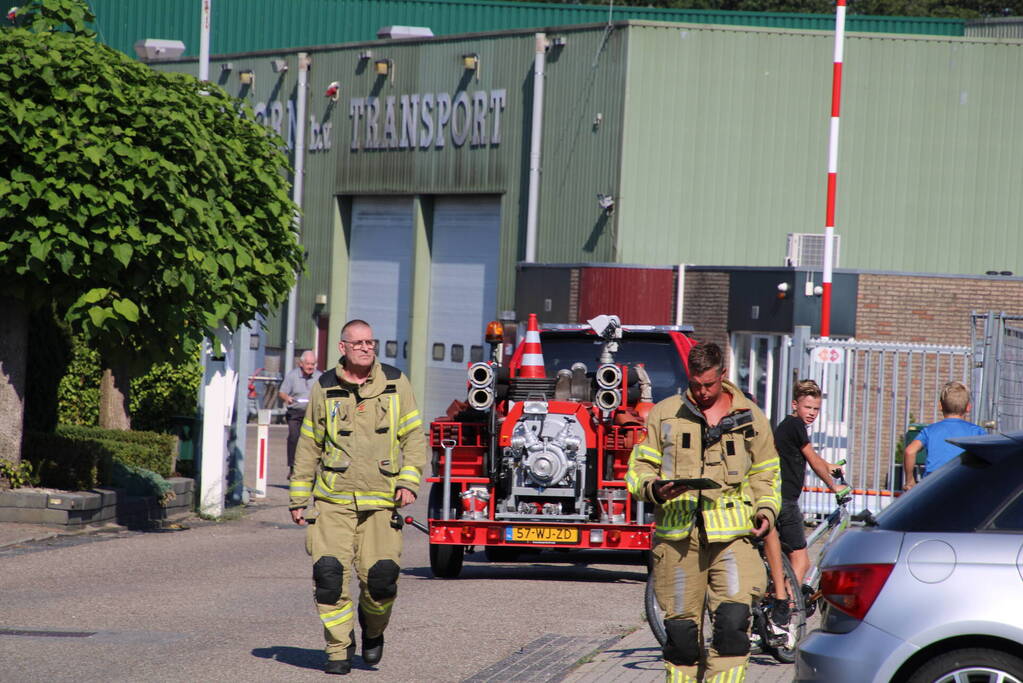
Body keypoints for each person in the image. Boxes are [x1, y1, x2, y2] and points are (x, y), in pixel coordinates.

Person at [627, 342, 781, 682]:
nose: (701, 392)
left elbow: (766, 471)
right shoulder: (665, 414)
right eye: (695, 384)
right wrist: (654, 488)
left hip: (733, 539)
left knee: (731, 625)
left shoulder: (750, 417)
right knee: (681, 637)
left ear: (722, 376)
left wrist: (766, 510)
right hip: (678, 541)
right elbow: (639, 468)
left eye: (709, 385)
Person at [289, 320, 426, 675]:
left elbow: (414, 437)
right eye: (359, 343)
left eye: (371, 342)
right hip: (333, 501)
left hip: (382, 501)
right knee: (329, 576)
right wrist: (298, 497)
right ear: (342, 348)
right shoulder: (324, 387)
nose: (366, 348)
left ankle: (374, 631)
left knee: (381, 580)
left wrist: (409, 481)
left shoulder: (396, 383)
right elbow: (309, 445)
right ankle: (338, 646)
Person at [762, 379, 848, 627]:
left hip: (777, 500)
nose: (811, 413)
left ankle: (773, 600)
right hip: (785, 502)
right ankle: (784, 611)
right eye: (807, 407)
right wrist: (835, 486)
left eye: (816, 409)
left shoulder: (790, 427)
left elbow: (808, 453)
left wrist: (829, 467)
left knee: (786, 561)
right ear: (795, 405)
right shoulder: (795, 425)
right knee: (802, 561)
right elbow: (811, 458)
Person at [903, 381, 985, 490]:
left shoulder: (930, 430)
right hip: (964, 482)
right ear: (968, 408)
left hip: (932, 483)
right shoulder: (977, 432)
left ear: (940, 406)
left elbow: (910, 451)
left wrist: (910, 480)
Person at [278, 350, 322, 477]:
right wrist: (287, 398)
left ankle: (313, 469)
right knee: (294, 436)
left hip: (312, 413)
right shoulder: (292, 376)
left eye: (313, 364)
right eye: (308, 364)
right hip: (295, 412)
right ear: (301, 363)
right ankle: (292, 467)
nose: (310, 367)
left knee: (314, 440)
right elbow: (282, 392)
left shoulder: (319, 377)